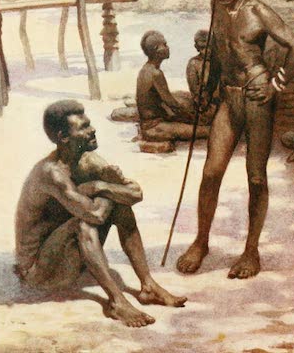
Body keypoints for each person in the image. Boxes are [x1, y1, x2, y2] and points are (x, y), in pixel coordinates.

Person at [177, 0, 294, 279]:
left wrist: (276, 85)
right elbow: (222, 52)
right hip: (228, 98)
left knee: (256, 177)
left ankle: (251, 251)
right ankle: (201, 242)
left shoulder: (257, 11)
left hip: (256, 97)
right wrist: (207, 90)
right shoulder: (216, 5)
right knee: (210, 173)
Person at [15, 100, 186, 328]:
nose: (92, 130)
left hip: (68, 258)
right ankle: (117, 301)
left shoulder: (87, 159)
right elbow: (95, 216)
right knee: (86, 222)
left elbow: (136, 193)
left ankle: (147, 286)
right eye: (84, 127)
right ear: (63, 137)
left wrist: (100, 186)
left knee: (120, 205)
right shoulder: (52, 173)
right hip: (40, 271)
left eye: (90, 124)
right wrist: (109, 188)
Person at [136, 30, 210, 142]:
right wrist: (192, 117)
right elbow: (172, 104)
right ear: (157, 50)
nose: (168, 47)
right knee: (208, 131)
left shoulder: (147, 69)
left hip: (155, 122)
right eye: (165, 45)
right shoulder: (155, 73)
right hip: (154, 127)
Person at [186, 29, 220, 114]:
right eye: (202, 47)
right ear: (197, 47)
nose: (207, 50)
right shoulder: (194, 63)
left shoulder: (218, 62)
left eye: (209, 46)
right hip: (203, 104)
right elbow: (194, 88)